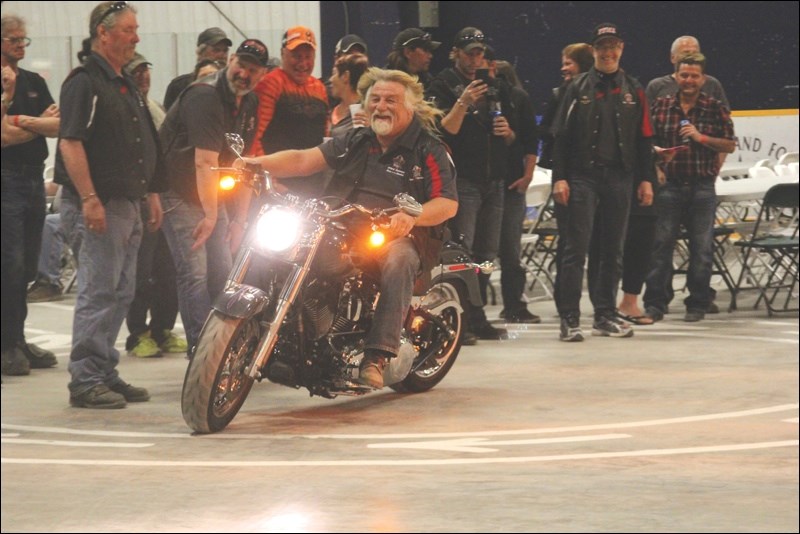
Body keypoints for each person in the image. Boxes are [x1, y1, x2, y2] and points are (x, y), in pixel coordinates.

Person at [243, 67, 457, 389]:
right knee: (279, 245)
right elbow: (303, 160)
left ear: (411, 106)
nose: (381, 106)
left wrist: (412, 217)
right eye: (376, 99)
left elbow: (448, 203)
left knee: (399, 260)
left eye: (391, 100)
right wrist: (254, 164)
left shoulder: (429, 149)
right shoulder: (358, 139)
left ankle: (377, 354)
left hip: (399, 231)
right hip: (342, 223)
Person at [55, 1, 165, 408]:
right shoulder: (84, 82)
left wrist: (152, 191)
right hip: (101, 203)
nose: (136, 37)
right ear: (104, 32)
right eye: (129, 30)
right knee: (100, 292)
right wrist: (89, 199)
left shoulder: (124, 83)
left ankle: (103, 370)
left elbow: (145, 143)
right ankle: (85, 379)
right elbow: (70, 141)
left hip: (129, 203)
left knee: (121, 292)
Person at [159, 39, 268, 356]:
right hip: (178, 189)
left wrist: (239, 220)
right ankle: (202, 351)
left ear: (262, 74)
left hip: (208, 192)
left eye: (253, 70)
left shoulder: (249, 103)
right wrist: (211, 217)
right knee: (195, 272)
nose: (244, 74)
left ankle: (224, 348)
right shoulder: (205, 95)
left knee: (224, 271)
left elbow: (244, 165)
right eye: (241, 65)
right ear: (231, 60)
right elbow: (204, 161)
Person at [551, 22, 655, 342]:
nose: (608, 52)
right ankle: (569, 318)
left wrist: (646, 180)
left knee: (613, 250)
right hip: (583, 177)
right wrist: (561, 179)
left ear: (621, 48)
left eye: (613, 46)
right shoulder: (576, 87)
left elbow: (644, 140)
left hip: (620, 178)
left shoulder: (634, 89)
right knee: (575, 249)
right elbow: (560, 138)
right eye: (602, 47)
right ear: (594, 51)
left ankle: (605, 315)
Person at [428, 26, 514, 341]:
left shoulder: (493, 86)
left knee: (486, 255)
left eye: (479, 52)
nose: (475, 58)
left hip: (493, 181)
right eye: (469, 52)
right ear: (455, 53)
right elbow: (445, 130)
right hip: (463, 181)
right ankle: (457, 318)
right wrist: (463, 101)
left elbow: (512, 137)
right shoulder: (443, 86)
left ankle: (477, 316)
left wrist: (508, 132)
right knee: (461, 253)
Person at [643, 52, 735, 323]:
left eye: (694, 75)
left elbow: (729, 143)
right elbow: (644, 140)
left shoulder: (714, 107)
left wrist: (700, 137)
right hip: (669, 186)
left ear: (703, 78)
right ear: (676, 76)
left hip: (702, 187)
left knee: (702, 248)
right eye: (684, 75)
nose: (689, 80)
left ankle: (698, 303)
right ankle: (655, 304)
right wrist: (656, 156)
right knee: (660, 247)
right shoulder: (660, 106)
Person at [1, 14, 60, 376]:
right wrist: (35, 123)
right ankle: (8, 344)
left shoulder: (35, 81)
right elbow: (1, 138)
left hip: (33, 179)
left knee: (27, 265)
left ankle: (17, 338)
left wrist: (20, 121)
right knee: (10, 264)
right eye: (14, 39)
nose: (22, 45)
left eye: (25, 39)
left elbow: (59, 124)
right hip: (6, 180)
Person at [123, 53, 188, 358]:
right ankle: (138, 334)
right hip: (139, 201)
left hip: (164, 199)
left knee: (168, 270)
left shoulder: (156, 109)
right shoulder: (127, 111)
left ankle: (163, 328)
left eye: (145, 71)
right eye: (136, 72)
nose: (143, 77)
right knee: (142, 271)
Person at [490, 56, 541, 324]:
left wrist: (527, 176)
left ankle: (514, 305)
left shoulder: (518, 100)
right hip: (487, 185)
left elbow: (531, 141)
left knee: (510, 250)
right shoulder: (475, 99)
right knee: (483, 251)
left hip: (511, 184)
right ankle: (474, 309)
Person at [252, 25, 329, 197]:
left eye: (308, 57)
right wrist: (268, 178)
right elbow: (256, 136)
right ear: (283, 54)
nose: (303, 63)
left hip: (314, 183)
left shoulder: (319, 88)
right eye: (296, 56)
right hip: (279, 183)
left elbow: (326, 137)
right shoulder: (270, 84)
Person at [163, 27, 232, 110]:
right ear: (201, 53)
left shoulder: (233, 87)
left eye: (225, 51)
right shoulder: (179, 86)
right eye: (216, 50)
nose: (222, 55)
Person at [329, 52, 369, 138]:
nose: (330, 79)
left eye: (334, 74)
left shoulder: (367, 112)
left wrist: (372, 129)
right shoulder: (329, 108)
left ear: (345, 76)